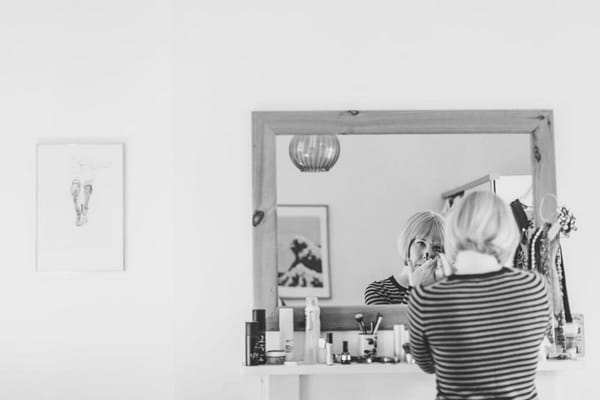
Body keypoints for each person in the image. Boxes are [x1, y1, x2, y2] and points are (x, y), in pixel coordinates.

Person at [408, 191, 550, 400]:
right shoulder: (534, 286)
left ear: (454, 231)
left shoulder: (426, 298)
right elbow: (535, 346)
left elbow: (428, 365)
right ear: (507, 231)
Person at [364, 211, 447, 305]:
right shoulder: (378, 290)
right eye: (421, 243)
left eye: (437, 248)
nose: (428, 254)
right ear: (407, 244)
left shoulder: (447, 291)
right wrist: (415, 289)